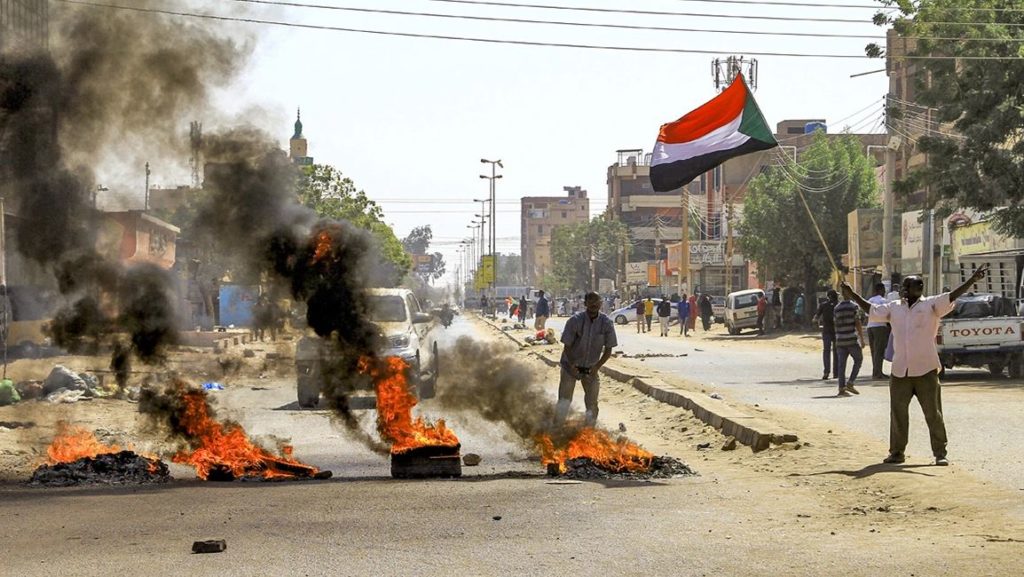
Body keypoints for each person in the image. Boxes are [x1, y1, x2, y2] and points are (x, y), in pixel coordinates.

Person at [841, 264, 989, 466]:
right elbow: (872, 310)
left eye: (906, 287)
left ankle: (940, 453)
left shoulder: (931, 305)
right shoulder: (894, 307)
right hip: (900, 370)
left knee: (933, 413)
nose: (902, 290)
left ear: (917, 289)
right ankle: (897, 452)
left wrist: (971, 281)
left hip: (926, 369)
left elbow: (952, 296)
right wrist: (852, 294)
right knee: (898, 413)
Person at [555, 291, 618, 427]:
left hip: (591, 368)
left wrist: (596, 367)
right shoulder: (575, 321)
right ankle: (557, 430)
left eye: (597, 301)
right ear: (585, 304)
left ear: (601, 303)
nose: (594, 304)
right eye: (591, 301)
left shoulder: (606, 323)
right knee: (564, 402)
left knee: (592, 404)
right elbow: (567, 346)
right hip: (570, 367)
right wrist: (572, 364)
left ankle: (590, 432)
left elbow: (608, 350)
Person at [833, 293, 865, 396]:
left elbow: (835, 323)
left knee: (841, 365)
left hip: (840, 339)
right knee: (858, 359)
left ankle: (841, 388)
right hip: (851, 339)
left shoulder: (837, 308)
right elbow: (858, 322)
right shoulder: (854, 306)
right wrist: (862, 338)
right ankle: (850, 383)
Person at [866, 282, 891, 380]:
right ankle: (878, 373)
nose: (884, 292)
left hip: (870, 326)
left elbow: (866, 314)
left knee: (874, 351)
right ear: (880, 290)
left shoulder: (870, 300)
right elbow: (888, 314)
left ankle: (875, 371)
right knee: (879, 351)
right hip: (880, 326)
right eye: (883, 290)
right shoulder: (884, 301)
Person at [812, 290, 839, 380]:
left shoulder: (823, 305)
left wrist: (815, 323)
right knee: (837, 352)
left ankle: (826, 372)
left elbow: (816, 318)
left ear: (828, 296)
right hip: (837, 331)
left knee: (826, 351)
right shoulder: (839, 305)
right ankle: (836, 373)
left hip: (826, 330)